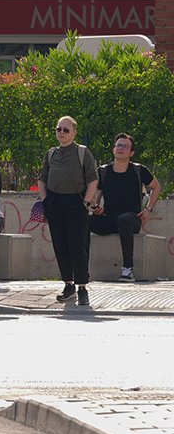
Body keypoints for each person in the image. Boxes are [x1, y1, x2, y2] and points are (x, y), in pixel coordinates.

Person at [38, 116, 98, 305]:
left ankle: (82, 287)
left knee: (77, 246)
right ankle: (68, 284)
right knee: (60, 246)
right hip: (55, 202)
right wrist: (46, 201)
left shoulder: (82, 152)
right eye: (58, 129)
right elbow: (42, 179)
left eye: (65, 130)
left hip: (76, 202)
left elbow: (93, 179)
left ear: (74, 132)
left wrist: (86, 203)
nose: (61, 133)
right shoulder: (51, 154)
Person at [88, 133, 162, 282]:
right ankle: (83, 269)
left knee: (124, 219)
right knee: (84, 220)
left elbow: (156, 187)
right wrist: (94, 208)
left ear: (131, 153)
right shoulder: (103, 171)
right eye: (118, 145)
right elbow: (91, 192)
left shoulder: (138, 170)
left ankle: (128, 269)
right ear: (114, 150)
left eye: (125, 146)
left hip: (131, 220)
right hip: (109, 219)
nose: (121, 148)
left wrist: (148, 209)